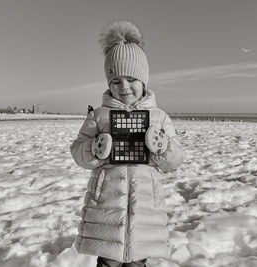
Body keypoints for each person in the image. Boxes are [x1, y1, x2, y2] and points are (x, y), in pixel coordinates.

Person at [70, 21, 186, 267]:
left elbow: (174, 160)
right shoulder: (99, 116)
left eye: (131, 79)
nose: (123, 87)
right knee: (108, 262)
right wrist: (95, 149)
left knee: (137, 263)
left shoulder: (159, 117)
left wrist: (162, 146)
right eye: (116, 81)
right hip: (106, 213)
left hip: (144, 214)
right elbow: (78, 152)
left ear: (144, 80)